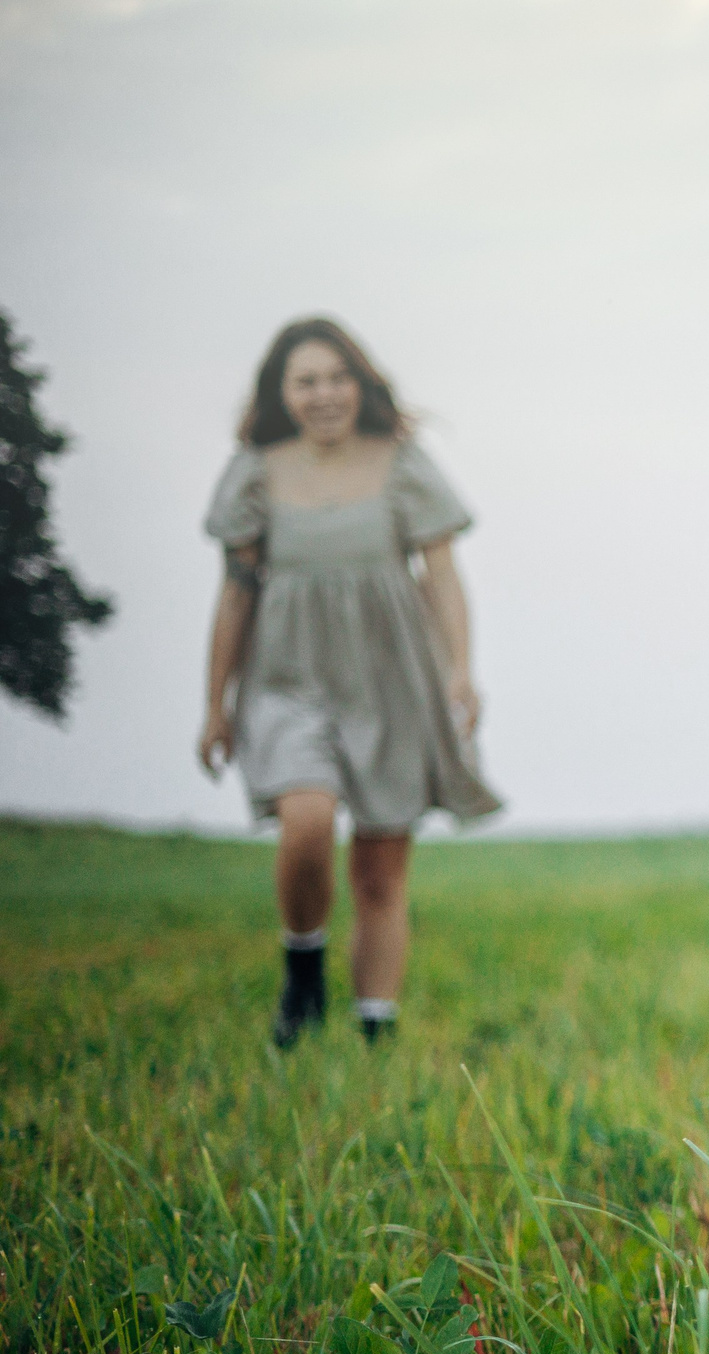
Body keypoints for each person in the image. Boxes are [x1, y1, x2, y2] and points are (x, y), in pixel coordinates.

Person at [196, 318, 500, 1047]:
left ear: (360, 385)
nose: (325, 394)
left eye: (338, 378)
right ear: (282, 393)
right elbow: (234, 595)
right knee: (305, 818)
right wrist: (215, 704)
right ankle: (303, 967)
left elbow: (443, 577)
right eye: (307, 382)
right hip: (286, 675)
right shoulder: (255, 472)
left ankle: (375, 1033)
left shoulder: (403, 463)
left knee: (378, 871)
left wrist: (461, 670)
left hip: (391, 677)